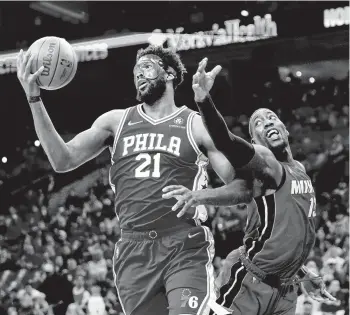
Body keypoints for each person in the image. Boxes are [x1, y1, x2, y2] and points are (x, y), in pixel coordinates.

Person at [16, 46, 235, 315]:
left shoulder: (195, 124)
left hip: (183, 244)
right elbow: (62, 161)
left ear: (168, 73)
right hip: (134, 249)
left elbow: (238, 183)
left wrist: (202, 196)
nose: (139, 75)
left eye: (147, 67)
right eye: (136, 71)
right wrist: (34, 98)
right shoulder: (115, 122)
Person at [162, 57, 336, 314]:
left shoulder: (298, 170)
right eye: (258, 123)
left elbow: (285, 234)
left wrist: (303, 273)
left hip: (286, 289)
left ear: (285, 130)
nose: (266, 122)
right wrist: (203, 100)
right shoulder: (267, 164)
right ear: (256, 142)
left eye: (271, 118)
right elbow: (228, 142)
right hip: (249, 283)